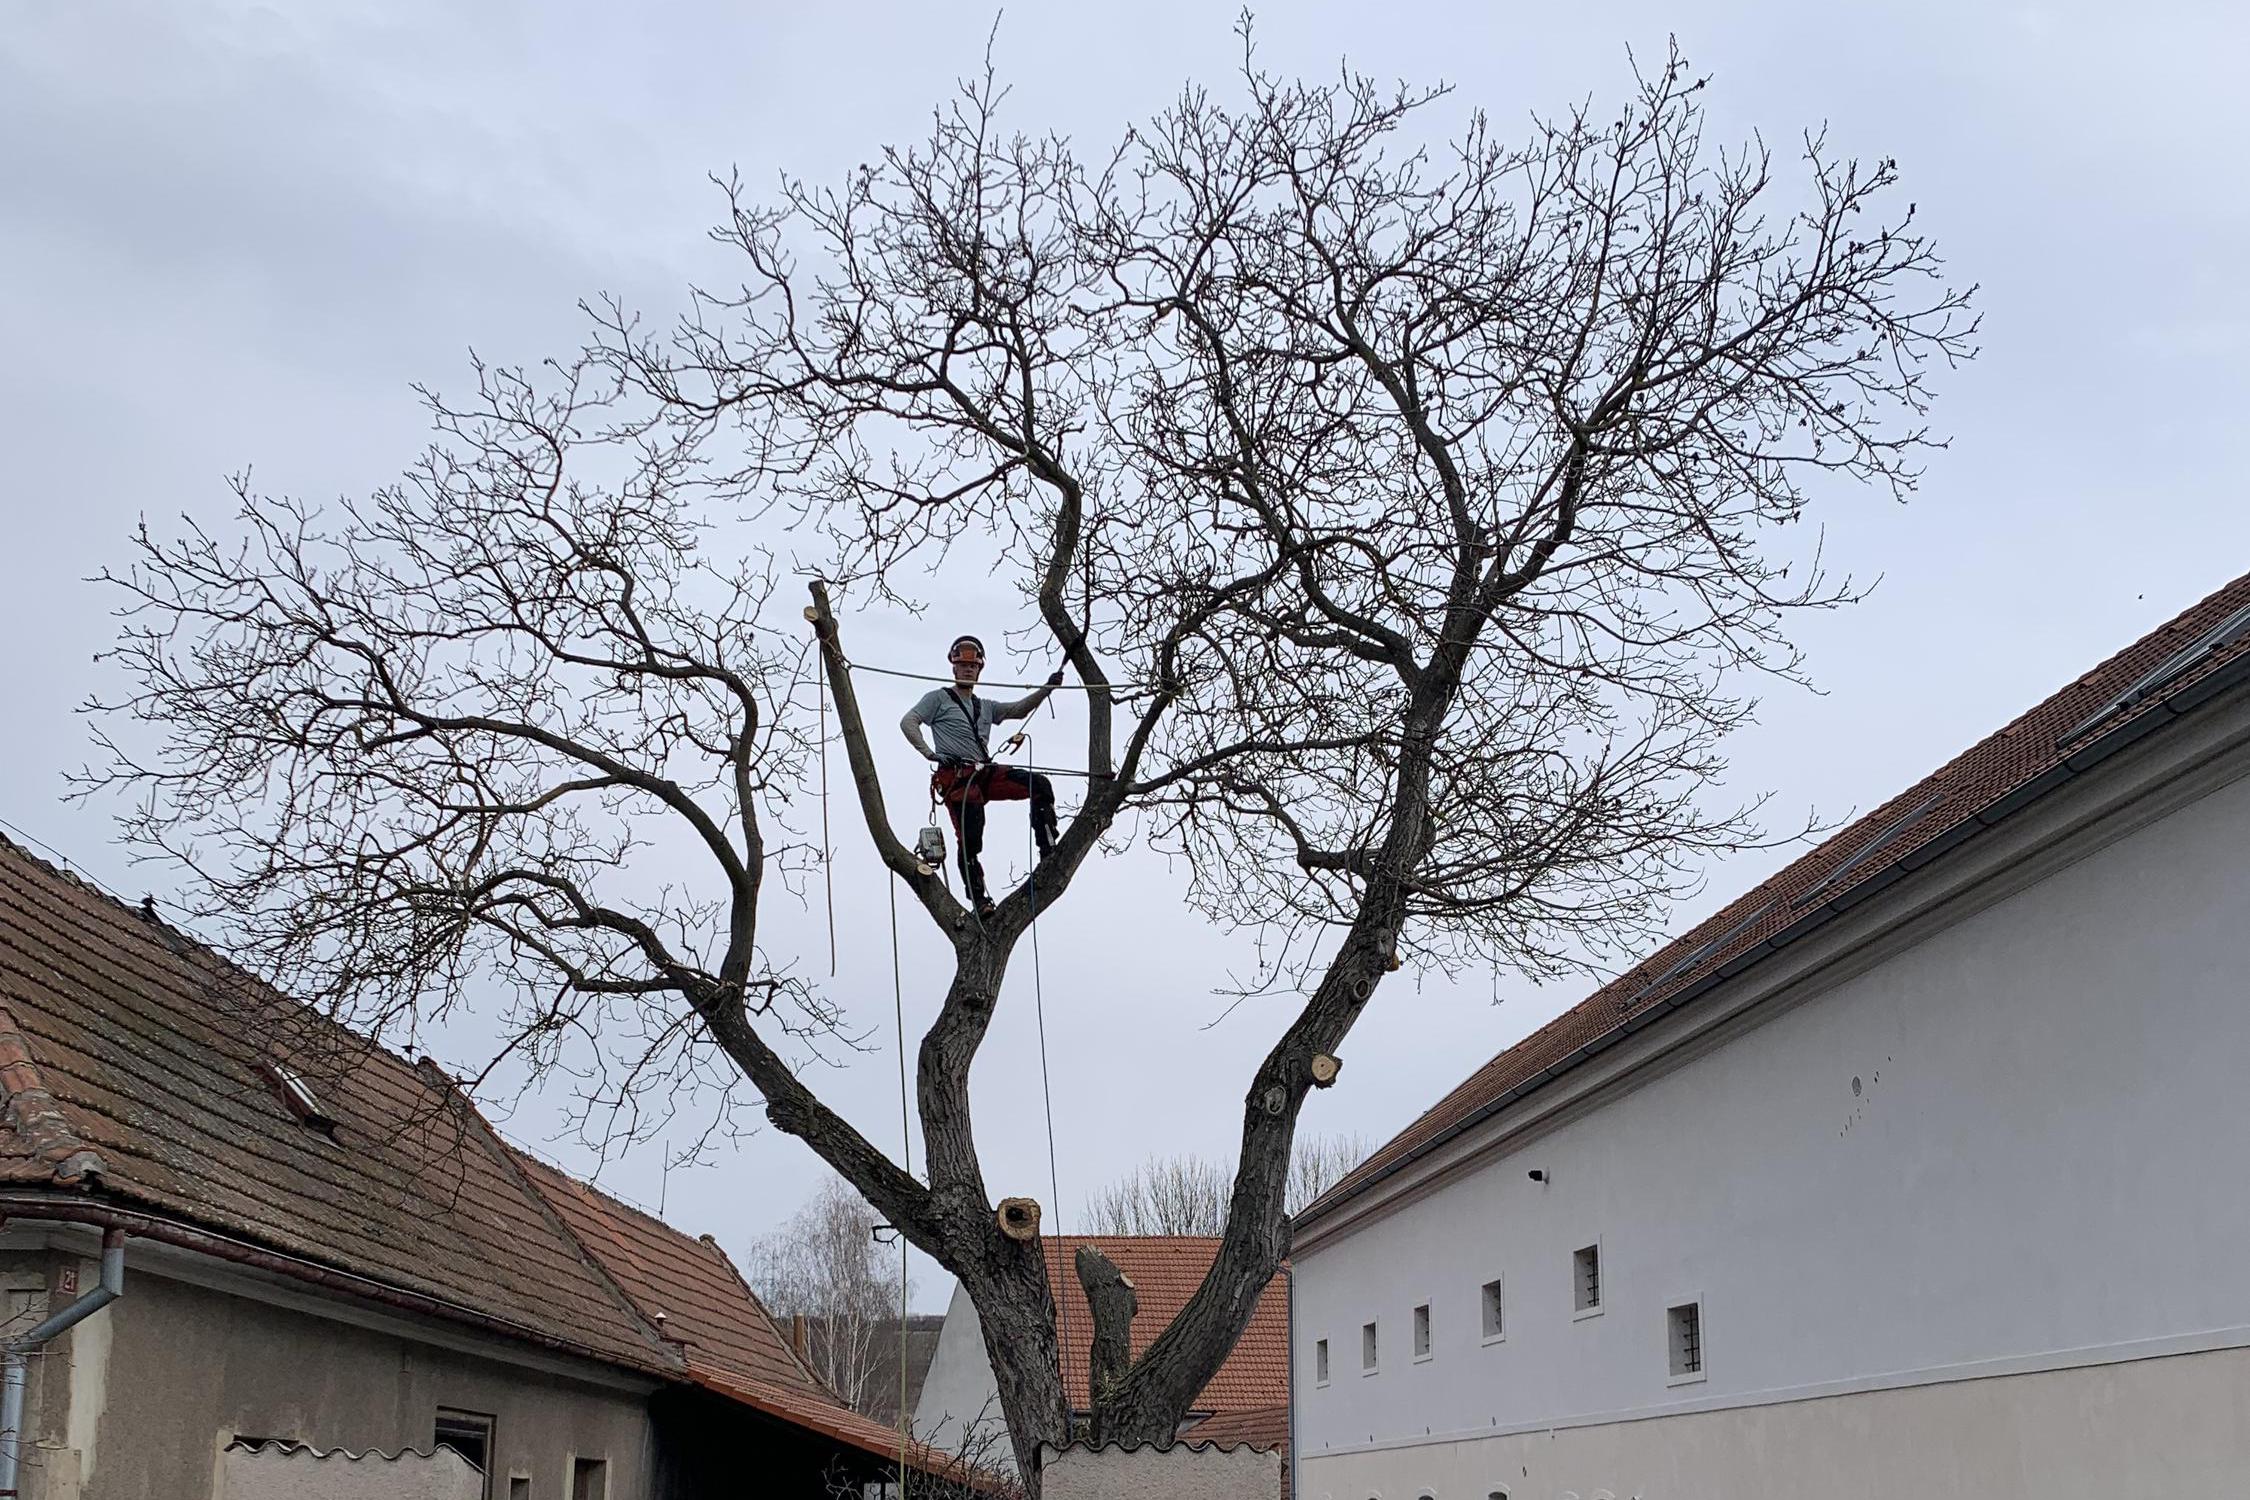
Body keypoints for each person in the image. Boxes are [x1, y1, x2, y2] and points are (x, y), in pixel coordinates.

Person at [899, 635, 1064, 913]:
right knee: (971, 838)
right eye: (962, 665)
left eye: (972, 666)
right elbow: (909, 721)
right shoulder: (938, 699)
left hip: (984, 773)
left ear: (979, 669)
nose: (967, 670)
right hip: (959, 779)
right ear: (953, 667)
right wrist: (930, 753)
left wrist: (1047, 688)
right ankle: (979, 900)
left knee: (1039, 784)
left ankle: (1048, 848)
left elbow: (1017, 710)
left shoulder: (984, 706)